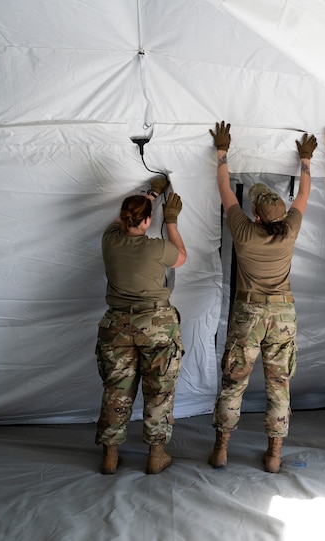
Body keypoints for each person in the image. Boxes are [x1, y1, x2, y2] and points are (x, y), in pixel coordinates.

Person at [207, 121, 315, 473]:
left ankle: (221, 449)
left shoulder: (243, 230)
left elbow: (224, 187)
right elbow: (304, 195)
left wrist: (222, 153)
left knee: (234, 382)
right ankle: (274, 456)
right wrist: (306, 161)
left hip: (248, 315)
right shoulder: (290, 230)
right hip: (283, 316)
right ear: (281, 215)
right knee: (279, 386)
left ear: (254, 215)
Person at [94, 176, 187, 475]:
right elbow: (181, 258)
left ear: (123, 219)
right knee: (159, 389)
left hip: (116, 325)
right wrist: (170, 221)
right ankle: (155, 456)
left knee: (116, 390)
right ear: (148, 222)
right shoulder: (158, 248)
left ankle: (110, 457)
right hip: (156, 324)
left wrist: (150, 194)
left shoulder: (109, 238)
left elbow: (127, 219)